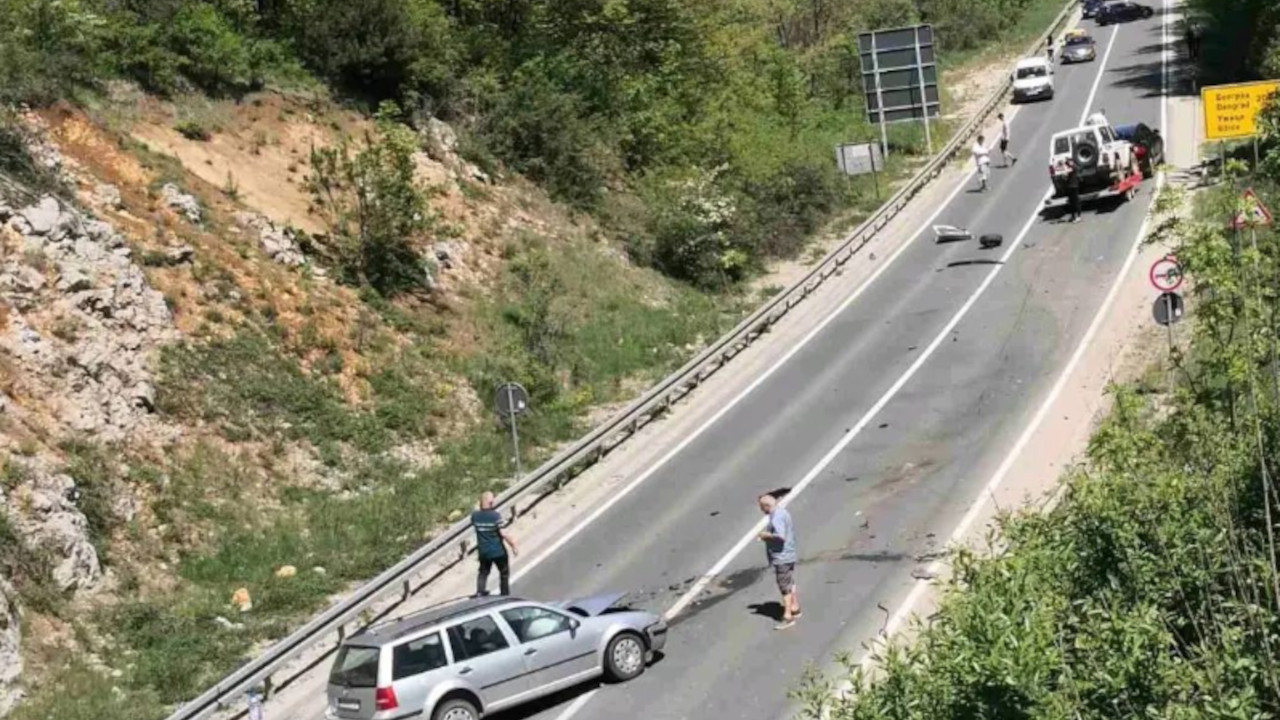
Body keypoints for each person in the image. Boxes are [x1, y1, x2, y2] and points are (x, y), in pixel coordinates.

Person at [757, 493, 801, 630]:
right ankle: (795, 607)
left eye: (761, 507)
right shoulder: (783, 512)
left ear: (766, 506)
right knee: (789, 581)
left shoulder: (776, 517)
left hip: (782, 556)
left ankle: (788, 616)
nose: (761, 510)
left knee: (783, 586)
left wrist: (765, 535)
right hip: (789, 554)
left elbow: (780, 536)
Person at [471, 491, 518, 596]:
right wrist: (513, 545)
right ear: (491, 502)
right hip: (498, 551)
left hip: (484, 551)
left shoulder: (475, 516)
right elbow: (503, 533)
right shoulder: (495, 516)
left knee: (483, 572)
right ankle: (504, 594)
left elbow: (475, 515)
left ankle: (480, 592)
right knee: (504, 573)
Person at [1063, 157, 1082, 223]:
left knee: (1076, 202)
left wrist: (1065, 169)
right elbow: (1065, 177)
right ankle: (1073, 216)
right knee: (1071, 202)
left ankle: (1078, 216)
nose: (1068, 163)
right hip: (1070, 186)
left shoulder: (1074, 167)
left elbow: (1067, 172)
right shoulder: (1070, 167)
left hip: (1074, 186)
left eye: (1069, 162)